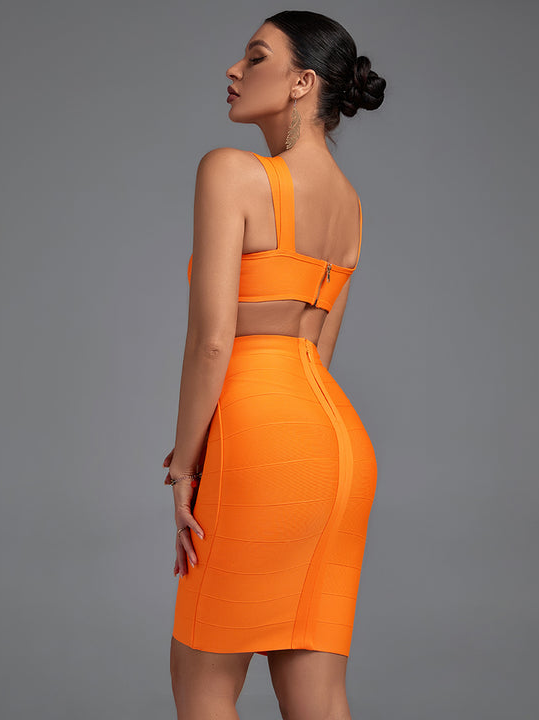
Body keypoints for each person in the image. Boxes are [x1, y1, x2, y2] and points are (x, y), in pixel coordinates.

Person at [163, 10, 386, 720]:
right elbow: (318, 351)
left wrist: (184, 468)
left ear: (302, 82)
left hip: (257, 444)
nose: (233, 70)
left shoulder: (230, 173)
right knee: (317, 694)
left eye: (255, 57)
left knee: (202, 685)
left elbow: (212, 342)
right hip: (338, 453)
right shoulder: (350, 207)